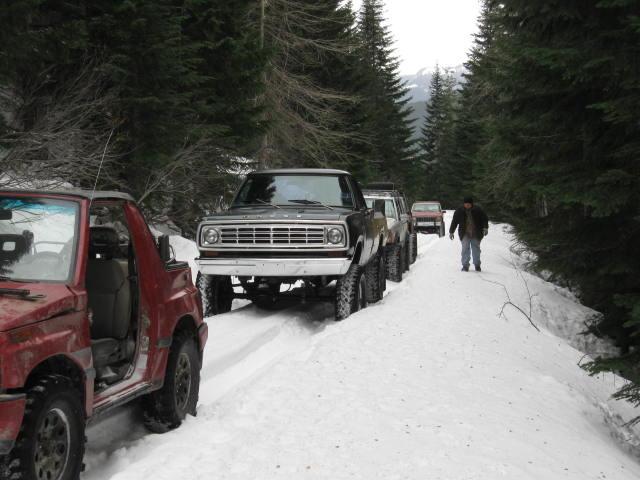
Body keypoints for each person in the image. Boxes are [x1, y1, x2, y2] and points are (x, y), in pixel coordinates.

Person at [449, 196, 489, 272]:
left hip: (476, 232)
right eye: (466, 203)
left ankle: (477, 265)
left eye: (469, 204)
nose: (467, 205)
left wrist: (485, 227)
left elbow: (485, 219)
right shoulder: (459, 211)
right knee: (465, 249)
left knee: (476, 249)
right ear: (463, 204)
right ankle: (465, 266)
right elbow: (454, 221)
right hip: (464, 233)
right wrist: (451, 231)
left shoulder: (478, 210)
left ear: (472, 204)